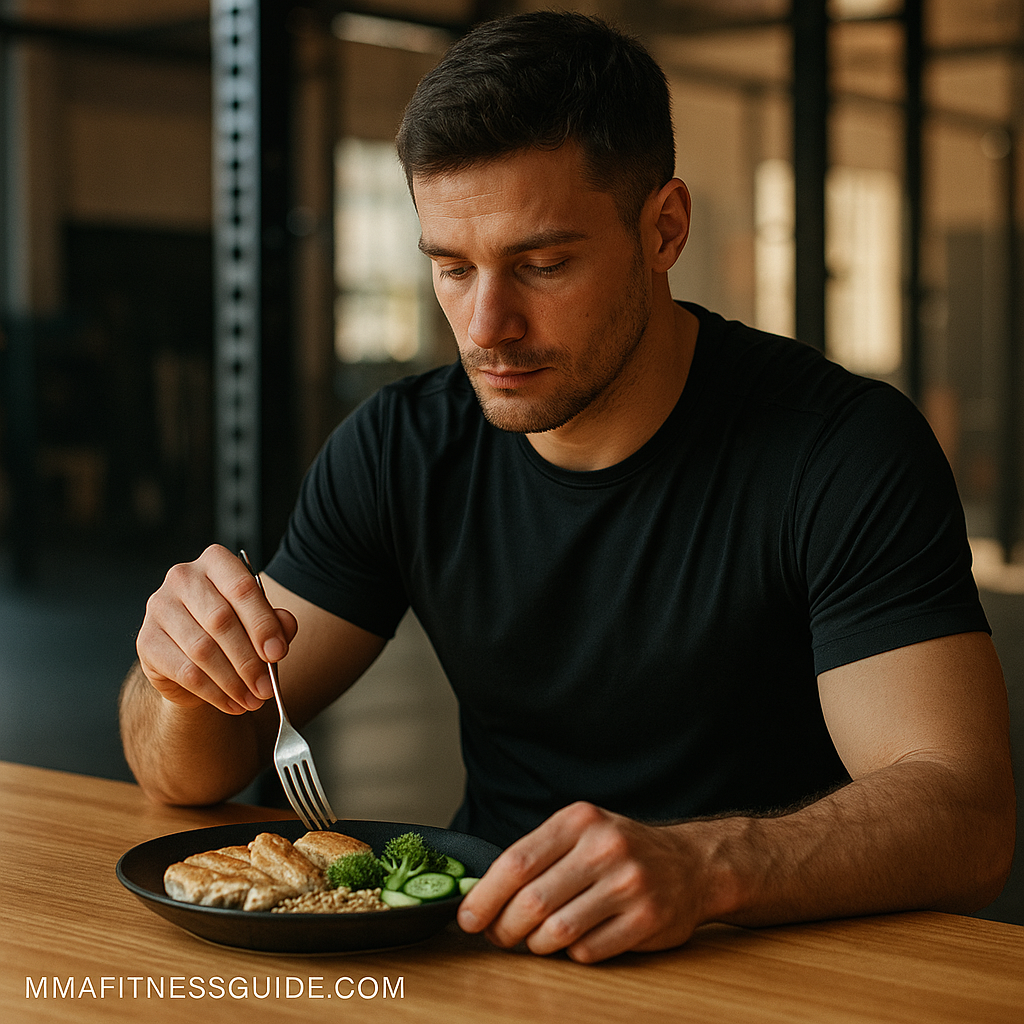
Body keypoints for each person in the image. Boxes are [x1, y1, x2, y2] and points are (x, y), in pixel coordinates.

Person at [119, 12, 1015, 963]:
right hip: (496, 950)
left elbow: (965, 812)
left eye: (542, 265)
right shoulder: (399, 446)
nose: (486, 325)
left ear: (664, 228)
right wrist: (185, 684)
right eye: (452, 269)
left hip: (767, 956)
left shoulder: (840, 450)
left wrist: (703, 867)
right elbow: (186, 779)